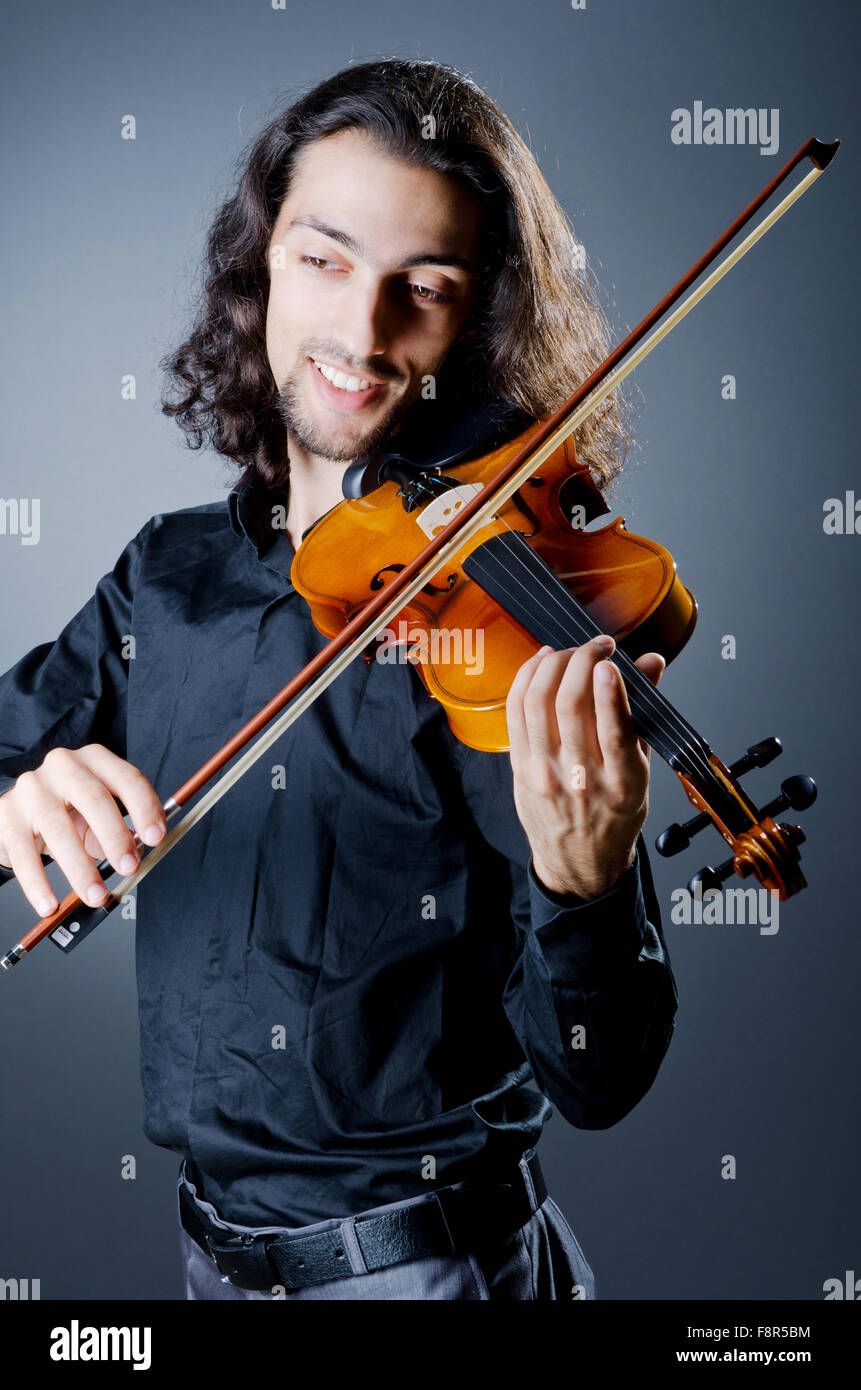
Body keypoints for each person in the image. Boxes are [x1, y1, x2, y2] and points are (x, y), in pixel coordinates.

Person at [0, 58, 678, 1300]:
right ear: (260, 265)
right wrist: (13, 795)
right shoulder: (168, 576)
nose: (364, 335)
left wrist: (587, 890)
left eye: (424, 288)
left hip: (426, 1273)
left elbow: (598, 1075)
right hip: (207, 1264)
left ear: (478, 324)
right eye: (324, 260)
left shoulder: (507, 628)